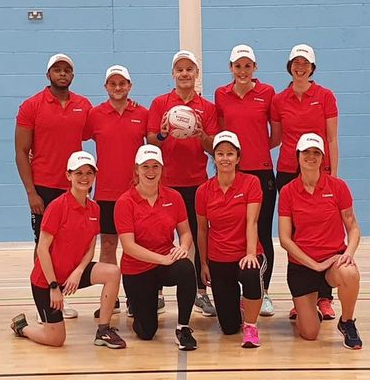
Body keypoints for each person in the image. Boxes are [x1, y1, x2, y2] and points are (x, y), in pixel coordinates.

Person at [10, 151, 125, 349]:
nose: (84, 177)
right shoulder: (57, 207)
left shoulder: (94, 208)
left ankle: (103, 330)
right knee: (56, 340)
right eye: (78, 173)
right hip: (47, 281)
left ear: (95, 176)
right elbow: (42, 249)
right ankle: (22, 327)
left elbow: (90, 245)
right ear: (68, 176)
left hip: (73, 274)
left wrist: (80, 270)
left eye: (89, 173)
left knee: (113, 272)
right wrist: (54, 286)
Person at [16, 53, 92, 320]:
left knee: (68, 247)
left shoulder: (84, 105)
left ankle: (58, 298)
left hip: (75, 187)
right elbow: (21, 151)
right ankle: (44, 303)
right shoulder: (31, 106)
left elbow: (105, 125)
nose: (62, 73)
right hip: (44, 188)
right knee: (43, 246)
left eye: (67, 70)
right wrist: (31, 192)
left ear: (72, 75)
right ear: (48, 74)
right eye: (57, 70)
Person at [147, 50, 218, 317]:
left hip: (197, 183)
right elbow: (151, 140)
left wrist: (201, 135)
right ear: (173, 74)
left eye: (190, 69)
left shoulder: (208, 108)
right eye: (180, 69)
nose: (185, 74)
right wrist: (164, 133)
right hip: (165, 184)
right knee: (159, 237)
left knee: (199, 239)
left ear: (196, 74)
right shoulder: (160, 103)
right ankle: (156, 293)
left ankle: (201, 292)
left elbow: (214, 148)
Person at [271, 44, 340, 320]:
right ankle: (301, 296)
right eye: (296, 62)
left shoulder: (325, 96)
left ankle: (325, 297)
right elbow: (274, 139)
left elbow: (332, 138)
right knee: (297, 235)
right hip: (288, 171)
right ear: (290, 66)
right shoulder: (279, 99)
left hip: (319, 169)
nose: (300, 67)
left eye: (306, 63)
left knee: (324, 233)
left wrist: (333, 174)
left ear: (312, 68)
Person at [278, 134, 362, 350]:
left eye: (316, 153)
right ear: (298, 156)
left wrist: (348, 254)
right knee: (310, 334)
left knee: (349, 272)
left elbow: (353, 228)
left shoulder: (338, 187)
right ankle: (306, 309)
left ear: (323, 158)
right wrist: (313, 265)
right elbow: (285, 239)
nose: (311, 157)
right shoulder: (288, 192)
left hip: (331, 262)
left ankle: (347, 322)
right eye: (306, 152)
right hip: (302, 267)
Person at [214, 45, 279, 317]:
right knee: (233, 232)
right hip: (231, 174)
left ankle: (261, 293)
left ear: (255, 68)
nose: (242, 71)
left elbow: (275, 136)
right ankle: (233, 291)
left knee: (262, 233)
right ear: (231, 68)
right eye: (237, 66)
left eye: (247, 66)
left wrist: (256, 151)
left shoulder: (267, 93)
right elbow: (218, 132)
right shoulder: (221, 94)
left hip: (261, 173)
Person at [114, 145, 199, 351]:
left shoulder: (174, 197)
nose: (150, 172)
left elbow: (186, 233)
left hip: (165, 264)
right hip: (138, 268)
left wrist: (183, 247)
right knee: (146, 332)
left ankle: (183, 328)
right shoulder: (125, 202)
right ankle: (137, 304)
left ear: (162, 169)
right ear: (136, 170)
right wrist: (162, 259)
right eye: (145, 167)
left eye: (155, 166)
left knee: (186, 268)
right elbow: (129, 246)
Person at [83, 65, 148, 317]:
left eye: (122, 83)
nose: (118, 87)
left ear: (130, 86)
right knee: (108, 247)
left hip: (137, 195)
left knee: (137, 249)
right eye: (113, 83)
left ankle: (136, 297)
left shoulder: (142, 113)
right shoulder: (95, 115)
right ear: (106, 87)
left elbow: (155, 145)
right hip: (106, 195)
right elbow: (69, 136)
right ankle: (112, 300)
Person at [196, 131, 265, 347]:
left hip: (246, 254)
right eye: (220, 154)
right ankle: (238, 306)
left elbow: (252, 222)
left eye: (230, 153)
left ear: (238, 157)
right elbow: (202, 231)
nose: (225, 158)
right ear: (214, 158)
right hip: (219, 259)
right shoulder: (203, 191)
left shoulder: (251, 183)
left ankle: (252, 326)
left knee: (251, 272)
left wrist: (251, 253)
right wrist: (204, 263)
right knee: (227, 328)